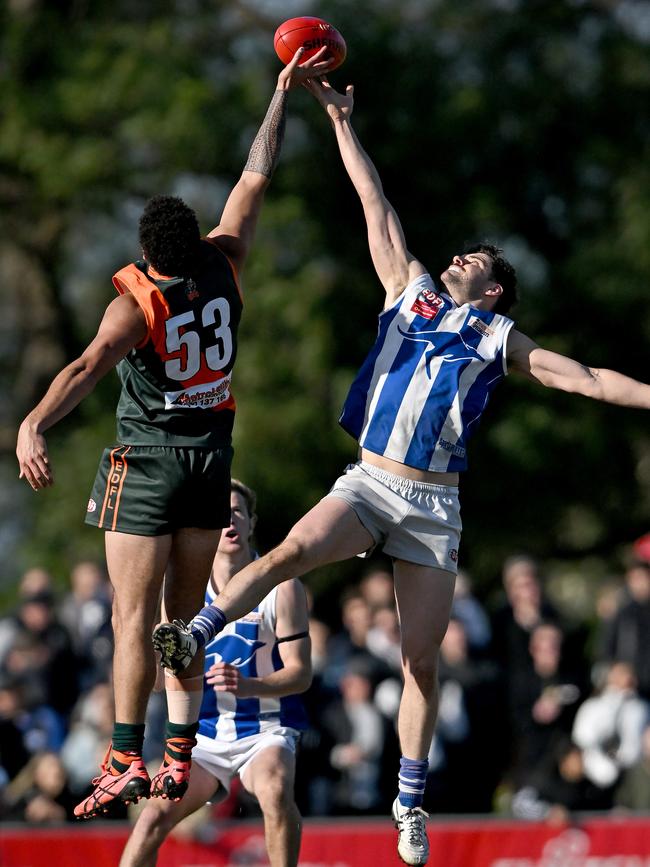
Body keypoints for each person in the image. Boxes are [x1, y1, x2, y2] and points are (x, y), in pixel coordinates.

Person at [153, 77, 650, 865]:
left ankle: (408, 801)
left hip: (431, 506)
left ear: (492, 290)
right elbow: (372, 202)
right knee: (283, 552)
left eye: (475, 260)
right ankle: (194, 633)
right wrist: (340, 120)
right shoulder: (408, 291)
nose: (458, 257)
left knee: (421, 657)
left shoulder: (496, 339)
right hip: (369, 479)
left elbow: (583, 376)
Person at [15, 46, 334, 821]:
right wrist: (282, 93)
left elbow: (89, 366)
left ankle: (127, 755)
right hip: (209, 460)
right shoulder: (226, 260)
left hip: (150, 458)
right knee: (184, 617)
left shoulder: (137, 304)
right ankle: (179, 753)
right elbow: (255, 175)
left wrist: (32, 422)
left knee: (134, 615)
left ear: (149, 256)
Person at [120, 480, 311, 867]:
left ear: (251, 522)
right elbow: (158, 681)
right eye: (220, 515)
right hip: (203, 734)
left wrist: (248, 686)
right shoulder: (181, 593)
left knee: (274, 790)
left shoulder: (281, 589)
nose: (230, 522)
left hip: (265, 729)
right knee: (152, 816)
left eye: (238, 512)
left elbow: (301, 675)